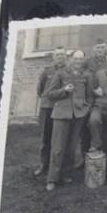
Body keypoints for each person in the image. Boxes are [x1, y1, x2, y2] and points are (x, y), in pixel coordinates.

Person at [45, 50, 95, 191]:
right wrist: (64, 90)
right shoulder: (61, 73)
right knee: (57, 148)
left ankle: (66, 174)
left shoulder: (87, 75)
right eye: (76, 58)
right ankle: (52, 179)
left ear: (84, 60)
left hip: (78, 115)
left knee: (71, 147)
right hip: (61, 114)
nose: (78, 61)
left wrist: (86, 109)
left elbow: (90, 96)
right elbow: (50, 94)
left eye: (81, 59)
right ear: (71, 59)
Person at [33, 46, 68, 178]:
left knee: (59, 140)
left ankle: (59, 167)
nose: (60, 57)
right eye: (58, 55)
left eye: (62, 55)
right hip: (47, 108)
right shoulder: (47, 71)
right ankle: (43, 164)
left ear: (66, 57)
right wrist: (47, 100)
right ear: (54, 57)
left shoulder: (68, 71)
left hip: (61, 108)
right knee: (45, 138)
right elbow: (40, 90)